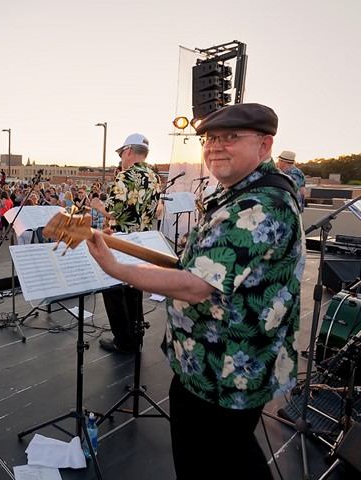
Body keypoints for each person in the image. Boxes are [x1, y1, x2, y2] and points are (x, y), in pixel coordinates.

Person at [86, 103, 305, 480]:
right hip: (207, 363)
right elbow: (203, 267)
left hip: (225, 371)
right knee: (230, 455)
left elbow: (196, 285)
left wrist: (115, 267)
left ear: (265, 146)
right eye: (210, 138)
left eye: (231, 137)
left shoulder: (261, 204)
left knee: (210, 461)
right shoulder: (238, 193)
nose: (216, 146)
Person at [89, 133, 161, 353]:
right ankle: (135, 335)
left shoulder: (126, 176)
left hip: (122, 243)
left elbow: (112, 212)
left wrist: (97, 204)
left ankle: (122, 339)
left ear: (129, 151)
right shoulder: (154, 176)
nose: (121, 158)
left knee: (112, 288)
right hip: (143, 243)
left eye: (121, 153)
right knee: (135, 288)